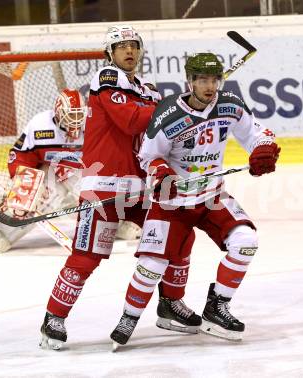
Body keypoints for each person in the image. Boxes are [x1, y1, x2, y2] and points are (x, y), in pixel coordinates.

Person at [39, 25, 200, 350]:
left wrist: (189, 117)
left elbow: (160, 135)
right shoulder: (106, 80)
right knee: (86, 257)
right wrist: (169, 110)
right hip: (104, 188)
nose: (129, 50)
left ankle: (170, 305)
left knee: (181, 233)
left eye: (133, 45)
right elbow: (130, 120)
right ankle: (53, 319)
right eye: (121, 46)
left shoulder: (149, 91)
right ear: (109, 53)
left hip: (141, 188)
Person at [110, 52, 281, 347]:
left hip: (211, 196)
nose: (210, 86)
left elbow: (256, 133)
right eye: (202, 79)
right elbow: (149, 156)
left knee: (246, 241)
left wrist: (262, 148)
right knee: (151, 266)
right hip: (172, 203)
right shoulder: (169, 114)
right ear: (189, 81)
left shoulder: (229, 105)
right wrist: (162, 175)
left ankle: (217, 307)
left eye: (214, 79)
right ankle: (129, 316)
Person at [0, 88, 141, 254]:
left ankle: (120, 220)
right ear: (58, 112)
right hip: (51, 170)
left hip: (82, 171)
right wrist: (26, 180)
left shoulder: (95, 123)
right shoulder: (40, 125)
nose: (76, 120)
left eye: (79, 114)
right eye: (71, 115)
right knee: (40, 197)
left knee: (100, 188)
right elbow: (19, 154)